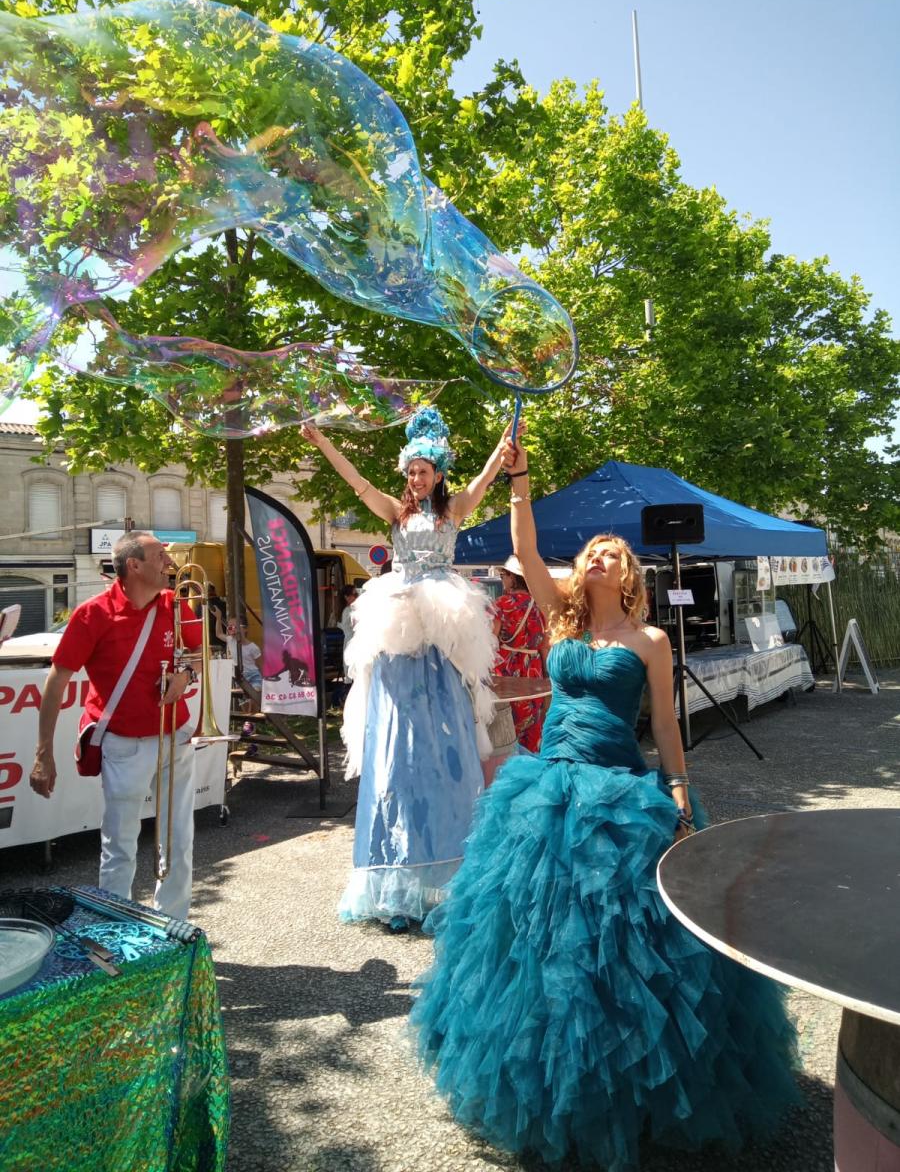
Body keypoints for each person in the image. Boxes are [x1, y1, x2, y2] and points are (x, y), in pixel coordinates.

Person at [410, 436, 800, 1170]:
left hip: (617, 788)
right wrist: (518, 478)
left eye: (613, 553)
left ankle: (634, 1092)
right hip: (546, 784)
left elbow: (662, 725)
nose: (599, 556)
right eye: (592, 550)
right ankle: (533, 1075)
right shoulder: (563, 621)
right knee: (530, 937)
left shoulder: (651, 640)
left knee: (626, 945)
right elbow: (524, 547)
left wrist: (679, 789)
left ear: (630, 575)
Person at [301, 407, 504, 927]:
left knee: (449, 743)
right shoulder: (395, 512)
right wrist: (321, 439)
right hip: (396, 622)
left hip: (443, 621)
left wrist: (505, 444)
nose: (416, 477)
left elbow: (485, 478)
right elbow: (356, 481)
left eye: (424, 469)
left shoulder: (452, 510)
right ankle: (395, 881)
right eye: (410, 469)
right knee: (396, 746)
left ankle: (452, 872)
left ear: (438, 472)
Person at [29, 531, 202, 921]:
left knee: (179, 840)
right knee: (120, 845)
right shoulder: (93, 613)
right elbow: (56, 679)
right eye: (160, 556)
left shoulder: (176, 604)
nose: (169, 563)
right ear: (134, 565)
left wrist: (186, 676)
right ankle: (116, 931)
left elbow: (198, 656)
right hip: (124, 743)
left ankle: (171, 928)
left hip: (175, 737)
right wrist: (43, 753)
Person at [492, 553, 548, 752]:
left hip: (507, 671)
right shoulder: (541, 605)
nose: (502, 580)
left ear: (513, 577)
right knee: (532, 724)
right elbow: (545, 645)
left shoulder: (500, 605)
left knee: (506, 725)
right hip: (534, 671)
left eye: (503, 575)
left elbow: (491, 639)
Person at [213, 611, 263, 691]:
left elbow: (261, 666)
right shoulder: (230, 640)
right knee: (242, 700)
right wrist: (218, 618)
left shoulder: (253, 647)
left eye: (235, 627)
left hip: (254, 676)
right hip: (240, 678)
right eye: (229, 627)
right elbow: (218, 634)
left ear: (245, 629)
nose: (232, 630)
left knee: (254, 694)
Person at [338, 583, 359, 678]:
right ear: (346, 597)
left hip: (351, 641)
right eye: (354, 594)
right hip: (353, 642)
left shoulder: (346, 610)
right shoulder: (349, 611)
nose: (356, 597)